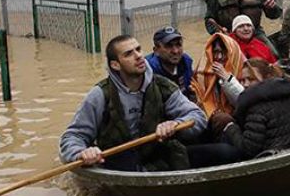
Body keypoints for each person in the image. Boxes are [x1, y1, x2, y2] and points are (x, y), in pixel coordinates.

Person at [59, 35, 207, 171]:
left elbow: (198, 116)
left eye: (138, 49)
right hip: (119, 162)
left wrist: (176, 124)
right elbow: (73, 136)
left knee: (225, 152)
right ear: (115, 65)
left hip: (156, 153)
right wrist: (82, 153)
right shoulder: (100, 95)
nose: (138, 56)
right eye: (128, 53)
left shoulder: (162, 86)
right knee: (127, 162)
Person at [210, 59, 290, 159]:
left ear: (267, 78)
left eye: (251, 79)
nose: (246, 84)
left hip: (274, 162)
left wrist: (230, 127)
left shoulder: (255, 109)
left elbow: (248, 150)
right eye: (242, 80)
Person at [190, 33, 244, 118]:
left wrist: (227, 79)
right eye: (215, 52)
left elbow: (244, 101)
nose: (219, 57)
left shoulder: (243, 70)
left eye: (224, 52)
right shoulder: (202, 73)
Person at [146, 26, 194, 99]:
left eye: (178, 44)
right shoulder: (148, 71)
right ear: (156, 50)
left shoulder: (186, 62)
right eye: (168, 46)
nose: (175, 51)